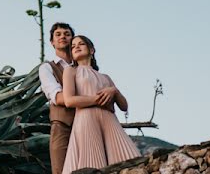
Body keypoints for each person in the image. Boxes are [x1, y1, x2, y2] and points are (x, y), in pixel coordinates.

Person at [61, 35, 140, 174]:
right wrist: (99, 100)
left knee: (129, 160)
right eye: (73, 46)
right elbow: (69, 101)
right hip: (86, 121)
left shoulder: (105, 77)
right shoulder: (70, 71)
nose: (76, 47)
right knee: (92, 165)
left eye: (81, 44)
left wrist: (114, 90)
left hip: (110, 122)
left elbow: (124, 106)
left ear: (91, 50)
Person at [38, 22, 75, 174]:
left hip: (87, 123)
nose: (63, 37)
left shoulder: (83, 67)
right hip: (62, 127)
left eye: (67, 34)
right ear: (52, 42)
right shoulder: (47, 68)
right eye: (58, 34)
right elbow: (58, 98)